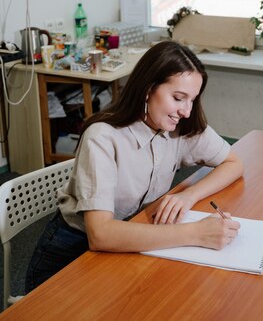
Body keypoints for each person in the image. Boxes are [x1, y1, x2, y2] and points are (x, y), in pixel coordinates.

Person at [26, 41, 243, 292]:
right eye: (178, 98)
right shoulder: (103, 137)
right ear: (148, 89)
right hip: (72, 252)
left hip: (132, 234)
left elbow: (234, 163)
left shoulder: (179, 127)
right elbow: (101, 234)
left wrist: (188, 195)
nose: (186, 111)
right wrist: (196, 233)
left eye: (192, 100)